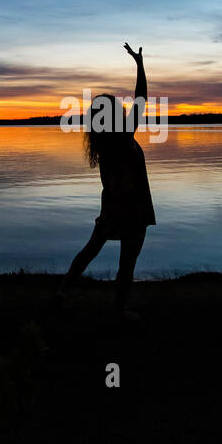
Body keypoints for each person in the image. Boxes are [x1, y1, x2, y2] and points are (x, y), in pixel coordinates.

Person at [62, 43, 156, 314]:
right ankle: (118, 311)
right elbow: (141, 98)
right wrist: (139, 64)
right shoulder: (124, 137)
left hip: (114, 207)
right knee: (126, 263)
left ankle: (62, 294)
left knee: (90, 251)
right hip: (133, 209)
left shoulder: (104, 145)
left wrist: (139, 63)